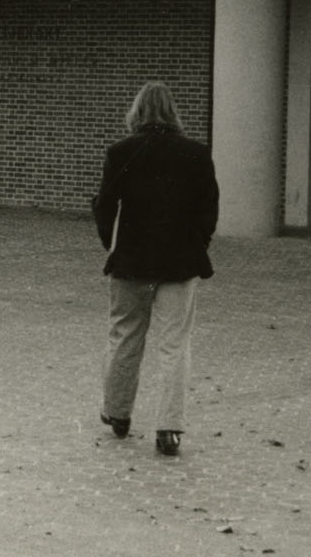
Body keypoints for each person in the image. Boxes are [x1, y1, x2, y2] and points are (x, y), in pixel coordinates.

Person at [92, 81, 219, 458]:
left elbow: (105, 206)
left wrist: (110, 245)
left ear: (137, 112)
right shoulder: (197, 153)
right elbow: (208, 209)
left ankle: (118, 413)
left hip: (131, 261)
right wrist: (198, 244)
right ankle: (169, 428)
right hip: (180, 262)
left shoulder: (120, 152)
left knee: (124, 336)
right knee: (174, 343)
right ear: (173, 111)